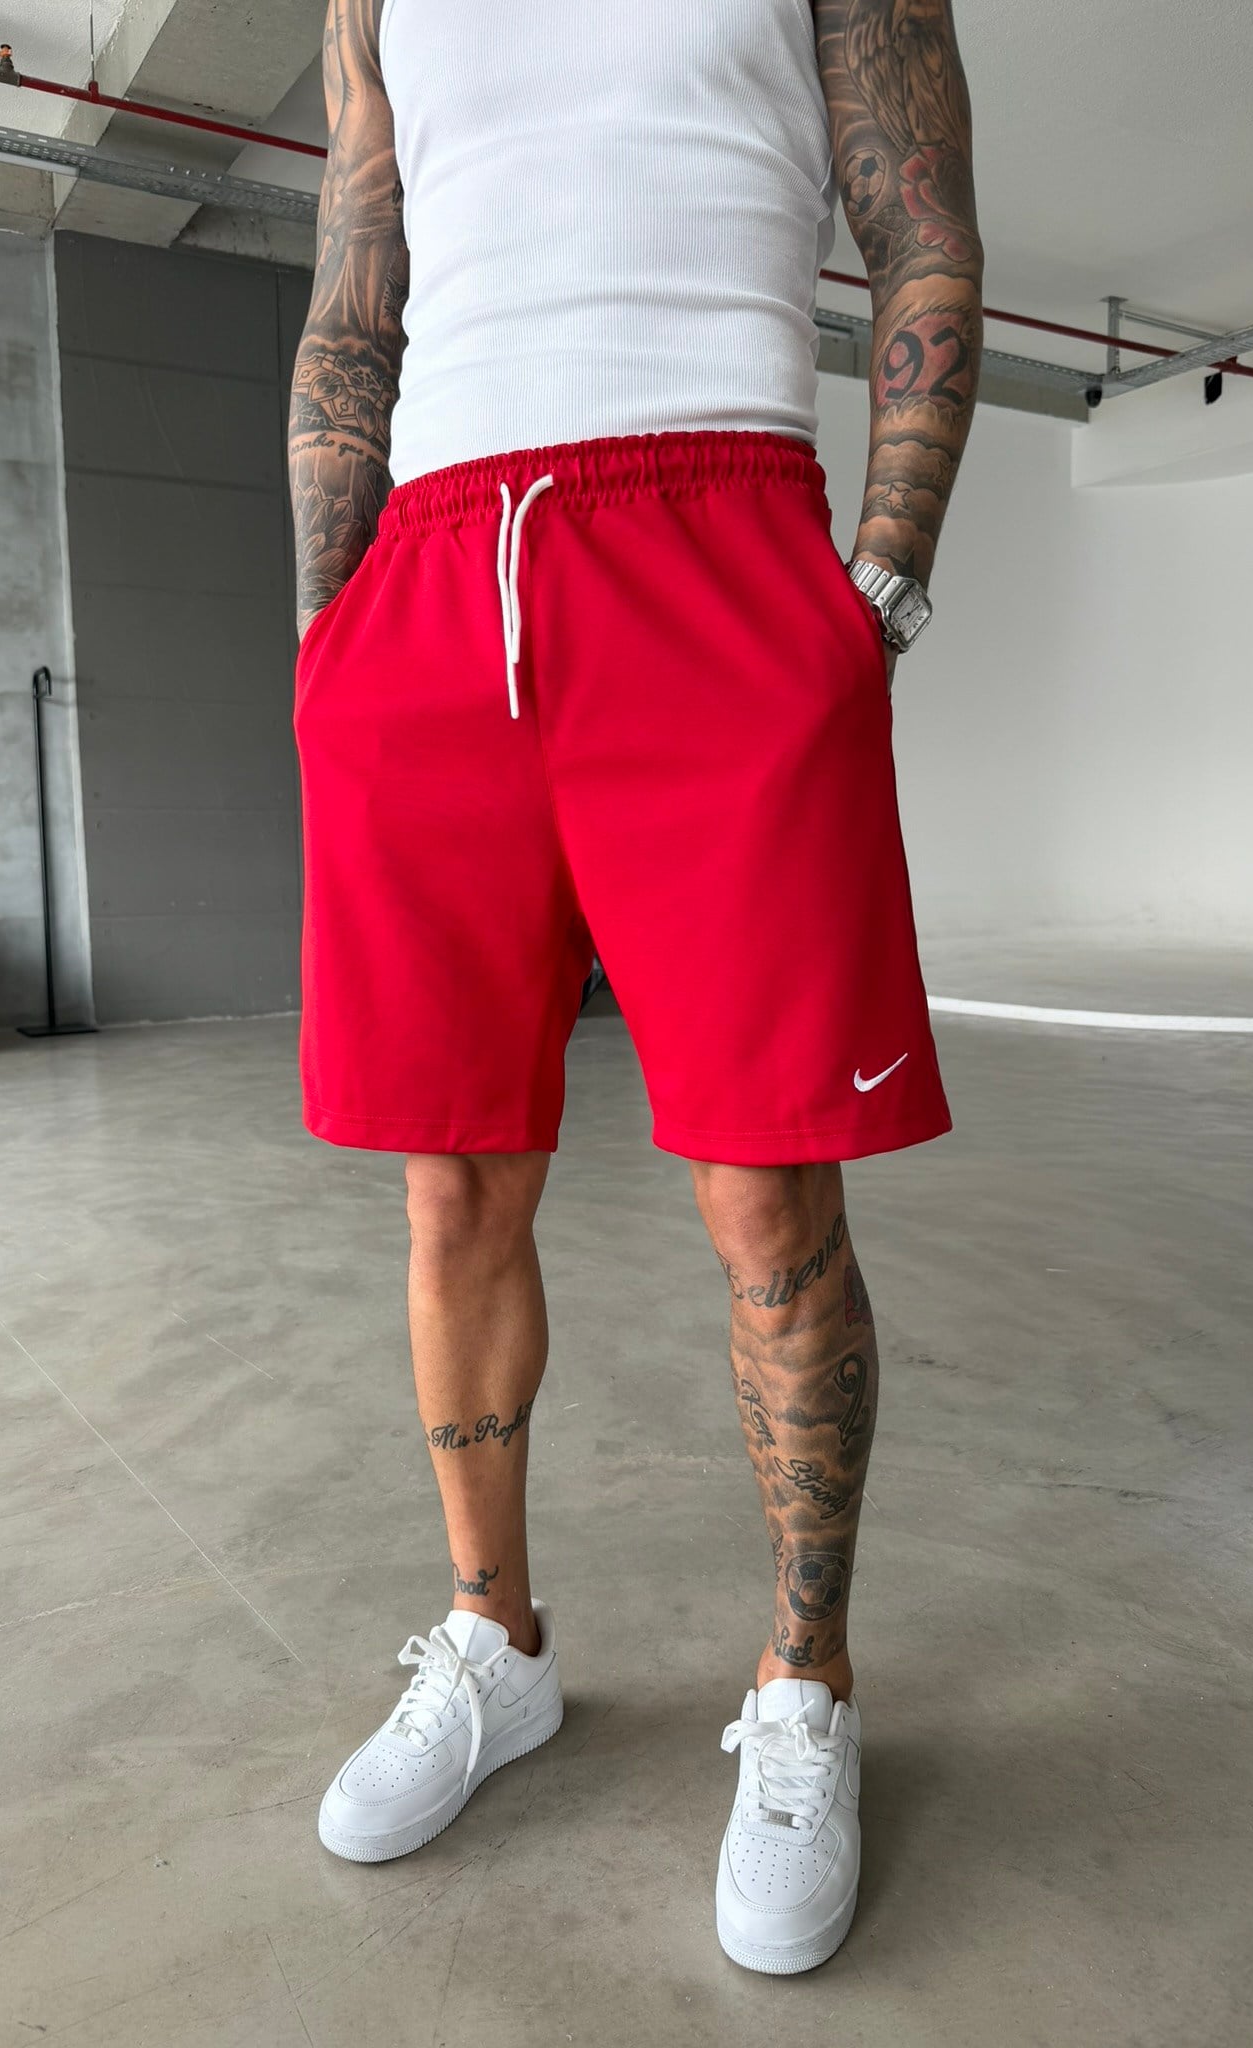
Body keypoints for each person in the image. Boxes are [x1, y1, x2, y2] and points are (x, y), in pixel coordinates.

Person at [288, 0, 981, 1974]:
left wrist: (876, 591)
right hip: (433, 577)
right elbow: (354, 304)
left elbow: (923, 233)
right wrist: (329, 633)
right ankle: (493, 1643)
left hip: (718, 535)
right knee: (451, 1181)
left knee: (768, 1187)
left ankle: (807, 1683)